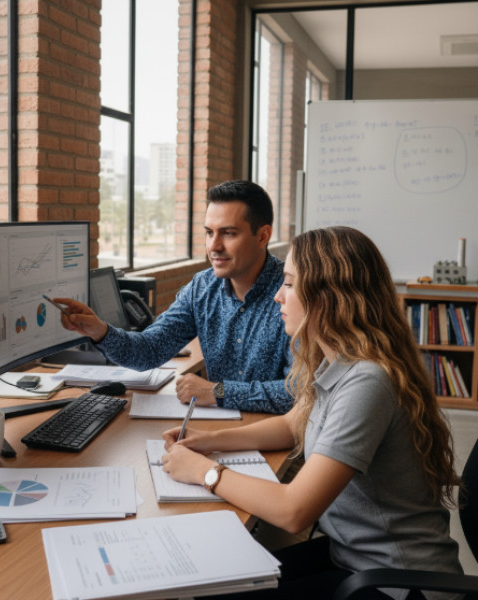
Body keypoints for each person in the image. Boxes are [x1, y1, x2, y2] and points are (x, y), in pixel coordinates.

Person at [161, 226, 462, 599]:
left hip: (399, 583)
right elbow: (294, 423)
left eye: (288, 283)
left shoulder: (367, 382)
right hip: (354, 556)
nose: (277, 296)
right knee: (220, 585)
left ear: (329, 296)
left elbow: (293, 512)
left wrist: (203, 472)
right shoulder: (337, 358)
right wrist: (208, 442)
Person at [56, 180, 292, 413]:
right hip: (220, 433)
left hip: (280, 439)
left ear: (262, 236)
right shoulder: (202, 288)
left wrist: (218, 391)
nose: (214, 246)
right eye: (209, 233)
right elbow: (149, 351)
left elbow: (299, 392)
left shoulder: (295, 292)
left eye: (228, 233)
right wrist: (100, 332)